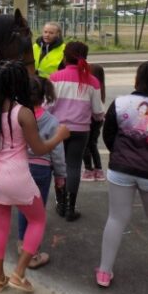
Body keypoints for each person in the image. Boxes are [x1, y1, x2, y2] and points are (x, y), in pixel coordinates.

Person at [0, 61, 69, 293]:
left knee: (1, 224)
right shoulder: (22, 112)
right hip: (17, 176)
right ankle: (18, 274)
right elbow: (39, 149)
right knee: (37, 220)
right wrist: (60, 136)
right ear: (18, 84)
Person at [96, 61, 148, 288]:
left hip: (121, 168)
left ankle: (104, 271)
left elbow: (109, 134)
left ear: (138, 78)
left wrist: (121, 154)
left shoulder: (121, 103)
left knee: (116, 217)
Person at [48, 41, 104, 221]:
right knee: (74, 166)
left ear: (65, 57)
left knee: (59, 166)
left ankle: (61, 204)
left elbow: (47, 106)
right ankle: (71, 208)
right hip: (81, 131)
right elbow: (97, 112)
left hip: (58, 129)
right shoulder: (93, 81)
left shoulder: (55, 78)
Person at [16, 76, 67, 269]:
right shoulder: (51, 120)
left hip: (19, 168)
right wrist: (60, 176)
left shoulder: (17, 116)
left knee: (24, 208)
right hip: (41, 171)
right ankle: (33, 254)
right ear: (43, 95)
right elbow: (57, 151)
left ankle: (22, 244)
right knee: (37, 215)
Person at [82, 64, 107, 182]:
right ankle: (99, 170)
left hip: (90, 117)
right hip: (98, 118)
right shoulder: (100, 86)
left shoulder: (91, 85)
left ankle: (88, 170)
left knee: (85, 145)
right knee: (92, 144)